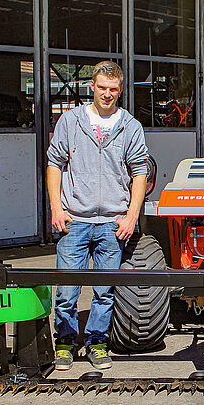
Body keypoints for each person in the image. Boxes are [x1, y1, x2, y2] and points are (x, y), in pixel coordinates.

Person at [46, 61, 148, 370]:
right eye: (102, 88)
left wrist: (131, 217)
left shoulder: (130, 126)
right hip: (75, 220)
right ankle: (64, 343)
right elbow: (54, 164)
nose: (107, 94)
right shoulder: (70, 121)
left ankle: (97, 343)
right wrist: (56, 207)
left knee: (104, 290)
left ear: (120, 90)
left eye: (113, 89)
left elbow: (139, 173)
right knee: (67, 288)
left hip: (112, 224)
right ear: (92, 86)